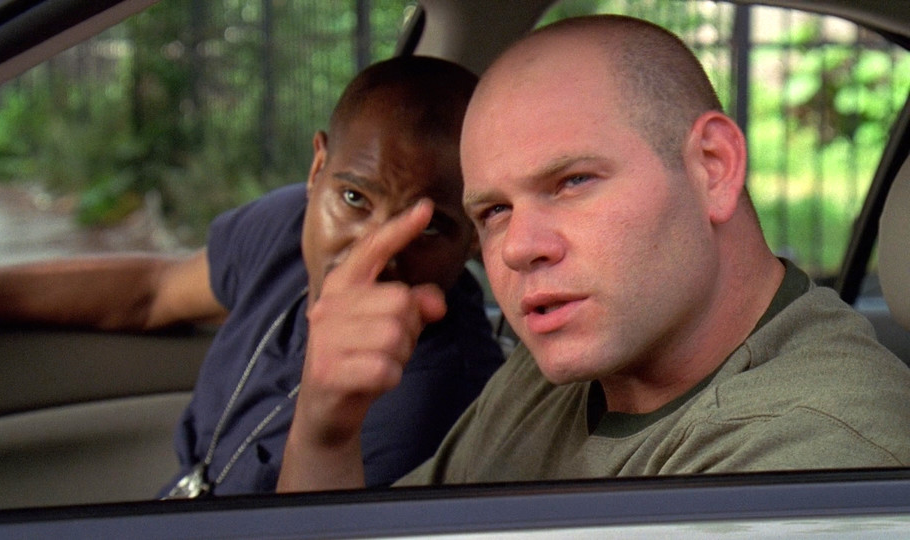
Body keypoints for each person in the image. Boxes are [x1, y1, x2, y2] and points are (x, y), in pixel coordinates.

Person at [276, 15, 910, 492]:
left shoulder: (813, 453)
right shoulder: (554, 376)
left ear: (713, 168)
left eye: (572, 182)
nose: (519, 248)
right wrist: (325, 432)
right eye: (494, 212)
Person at [0, 56, 505, 496]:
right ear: (317, 168)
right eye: (355, 198)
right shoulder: (285, 228)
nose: (374, 254)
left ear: (474, 238)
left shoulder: (441, 405)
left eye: (429, 228)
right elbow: (152, 294)